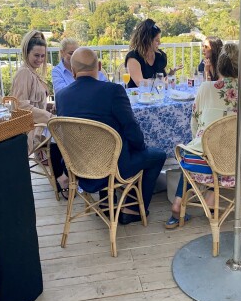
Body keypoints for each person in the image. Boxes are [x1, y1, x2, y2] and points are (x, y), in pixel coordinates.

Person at [56, 47, 166, 224]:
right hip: (113, 168)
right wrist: (140, 150)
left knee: (107, 148)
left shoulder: (61, 96)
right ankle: (133, 209)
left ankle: (107, 203)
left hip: (78, 167)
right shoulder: (113, 91)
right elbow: (132, 129)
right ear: (99, 66)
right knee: (157, 155)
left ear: (73, 70)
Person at [167, 43, 241, 228]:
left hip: (206, 162)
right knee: (224, 147)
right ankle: (212, 197)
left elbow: (195, 126)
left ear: (220, 65)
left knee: (194, 149)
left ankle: (180, 202)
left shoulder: (206, 88)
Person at [12, 29, 67, 191]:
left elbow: (34, 103)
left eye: (42, 56)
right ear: (26, 53)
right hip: (32, 129)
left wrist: (48, 106)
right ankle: (63, 178)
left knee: (66, 131)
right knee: (66, 134)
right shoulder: (24, 74)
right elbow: (20, 105)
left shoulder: (32, 73)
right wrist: (48, 115)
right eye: (36, 55)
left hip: (39, 124)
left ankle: (65, 176)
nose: (40, 59)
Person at [124, 19, 181, 88]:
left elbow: (164, 79)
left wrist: (170, 74)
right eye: (157, 40)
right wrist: (160, 81)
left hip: (157, 96)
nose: (159, 43)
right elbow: (139, 82)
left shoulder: (160, 56)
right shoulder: (133, 57)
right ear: (146, 41)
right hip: (138, 96)